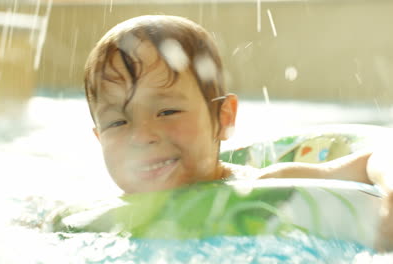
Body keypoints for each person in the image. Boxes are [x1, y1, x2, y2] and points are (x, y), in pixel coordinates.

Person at [83, 15, 392, 250]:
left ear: (223, 117)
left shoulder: (268, 186)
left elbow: (375, 156)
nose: (142, 136)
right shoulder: (97, 217)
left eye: (167, 111)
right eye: (117, 123)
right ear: (98, 139)